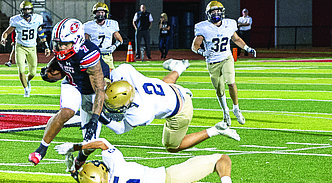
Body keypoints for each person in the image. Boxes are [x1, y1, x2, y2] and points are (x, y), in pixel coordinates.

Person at [70, 137, 297, 183]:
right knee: (221, 158)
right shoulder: (115, 165)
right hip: (172, 176)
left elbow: (87, 181)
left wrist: (76, 172)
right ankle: (228, 181)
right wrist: (76, 149)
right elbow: (102, 144)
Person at [95, 61, 240, 157]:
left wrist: (98, 115)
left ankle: (215, 130)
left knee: (172, 146)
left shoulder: (142, 112)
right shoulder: (124, 72)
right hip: (169, 90)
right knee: (165, 83)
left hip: (181, 111)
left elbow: (121, 129)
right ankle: (180, 66)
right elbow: (108, 71)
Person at [29, 18, 108, 167]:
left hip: (92, 92)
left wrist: (94, 119)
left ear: (77, 41)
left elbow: (99, 90)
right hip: (73, 84)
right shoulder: (62, 52)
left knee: (90, 143)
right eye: (58, 43)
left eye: (65, 44)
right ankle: (41, 149)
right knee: (66, 112)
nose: (60, 48)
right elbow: (62, 69)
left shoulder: (88, 55)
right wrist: (49, 75)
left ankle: (80, 159)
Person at [192, 1, 256, 126]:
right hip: (212, 62)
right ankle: (225, 111)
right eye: (213, 12)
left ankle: (236, 109)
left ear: (222, 12)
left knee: (231, 83)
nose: (216, 14)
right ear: (208, 14)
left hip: (227, 58)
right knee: (220, 90)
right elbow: (194, 46)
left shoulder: (229, 24)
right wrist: (202, 52)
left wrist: (247, 48)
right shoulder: (203, 27)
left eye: (218, 11)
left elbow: (236, 39)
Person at [0, 0, 48, 97]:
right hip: (20, 47)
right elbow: (6, 32)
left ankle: (28, 80)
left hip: (32, 48)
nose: (27, 12)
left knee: (33, 72)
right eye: (25, 10)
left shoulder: (37, 19)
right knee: (21, 69)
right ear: (22, 11)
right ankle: (26, 90)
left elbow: (40, 32)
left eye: (29, 10)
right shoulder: (16, 20)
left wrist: (46, 46)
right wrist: (3, 38)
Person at [83, 2, 122, 71]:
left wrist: (114, 47)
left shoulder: (112, 24)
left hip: (107, 55)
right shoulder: (88, 26)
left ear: (105, 13)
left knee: (110, 76)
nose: (100, 14)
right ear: (95, 13)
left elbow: (119, 40)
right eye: (98, 12)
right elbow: (86, 41)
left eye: (102, 12)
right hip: (94, 55)